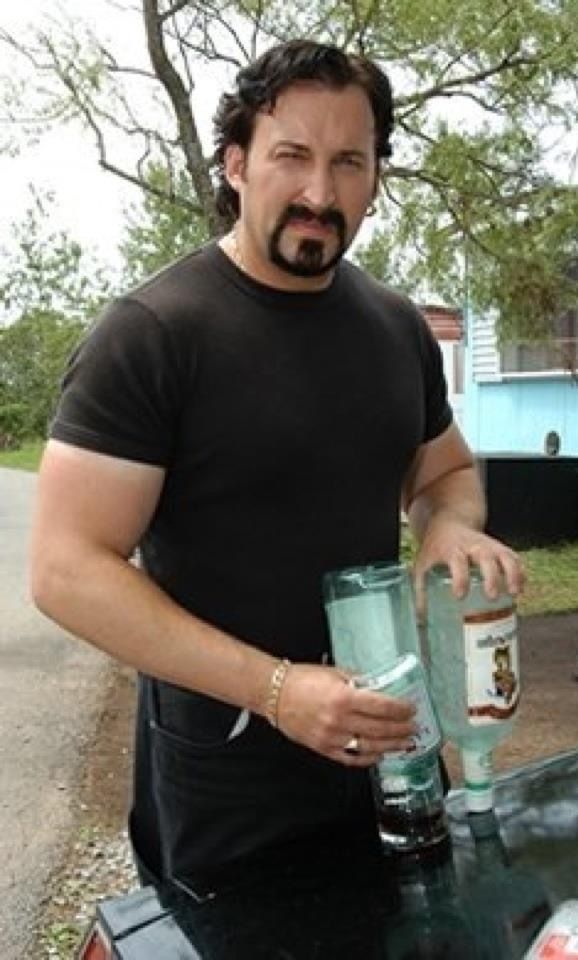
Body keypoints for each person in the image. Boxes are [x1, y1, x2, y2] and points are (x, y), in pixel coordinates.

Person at [30, 39, 523, 897]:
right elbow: (65, 570)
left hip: (396, 754)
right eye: (291, 156)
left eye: (349, 163)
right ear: (236, 162)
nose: (319, 195)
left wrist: (448, 526)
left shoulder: (395, 328)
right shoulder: (152, 335)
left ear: (376, 177)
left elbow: (446, 474)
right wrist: (278, 689)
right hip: (227, 786)